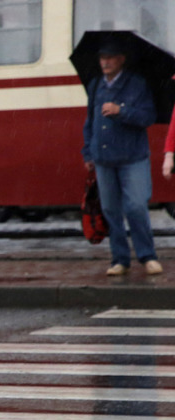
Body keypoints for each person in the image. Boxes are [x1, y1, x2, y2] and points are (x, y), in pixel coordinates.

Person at [81, 39, 160, 276]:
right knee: (111, 210)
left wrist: (121, 111)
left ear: (121, 60)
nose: (104, 62)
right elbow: (90, 122)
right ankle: (120, 259)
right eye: (102, 57)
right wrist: (88, 151)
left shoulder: (136, 84)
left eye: (110, 57)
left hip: (132, 157)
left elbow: (148, 117)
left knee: (136, 206)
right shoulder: (96, 85)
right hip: (104, 158)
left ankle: (147, 256)